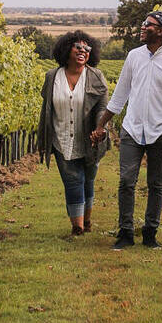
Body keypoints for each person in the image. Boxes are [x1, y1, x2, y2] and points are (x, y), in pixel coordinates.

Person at [91, 11, 162, 250]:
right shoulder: (134, 56)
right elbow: (120, 94)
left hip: (161, 130)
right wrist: (101, 125)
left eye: (149, 25)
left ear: (161, 30)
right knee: (126, 181)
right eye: (143, 23)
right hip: (132, 129)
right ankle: (125, 232)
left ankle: (150, 233)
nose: (143, 27)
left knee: (156, 183)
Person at [38, 31, 110, 235]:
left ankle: (86, 221)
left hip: (90, 140)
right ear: (66, 49)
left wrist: (100, 128)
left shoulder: (96, 76)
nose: (82, 51)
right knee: (72, 180)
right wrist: (43, 138)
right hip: (61, 137)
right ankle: (77, 227)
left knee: (88, 179)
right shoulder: (52, 77)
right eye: (78, 47)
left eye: (87, 49)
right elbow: (46, 109)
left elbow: (102, 108)